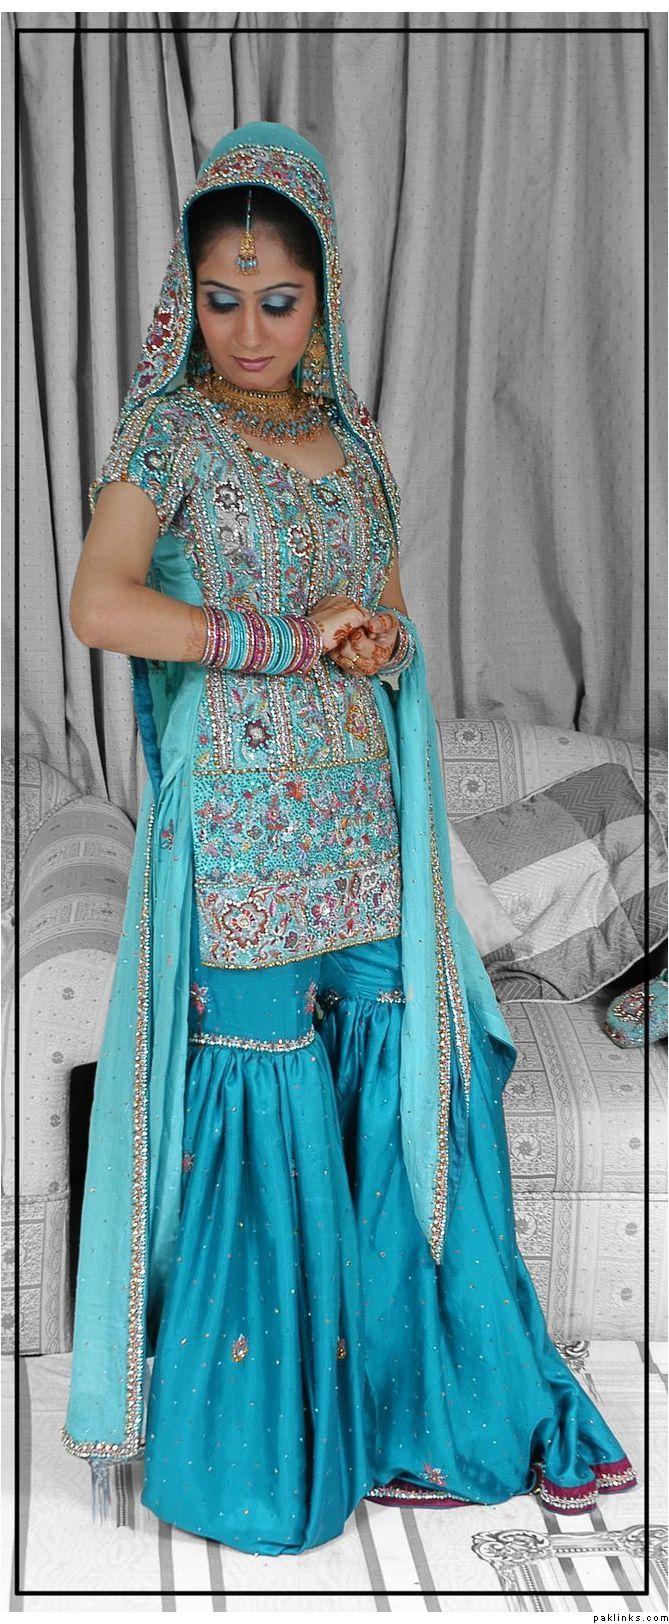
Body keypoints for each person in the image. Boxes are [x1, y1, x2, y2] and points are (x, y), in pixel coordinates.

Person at [62, 121, 637, 1557]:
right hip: (245, 839)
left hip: (367, 829)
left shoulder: (354, 436)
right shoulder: (166, 434)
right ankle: (264, 1453)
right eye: (222, 299)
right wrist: (273, 638)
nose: (250, 331)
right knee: (267, 1110)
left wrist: (379, 641)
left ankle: (417, 1422)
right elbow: (101, 602)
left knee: (410, 1099)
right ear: (186, 298)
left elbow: (379, 610)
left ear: (321, 298)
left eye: (279, 300)